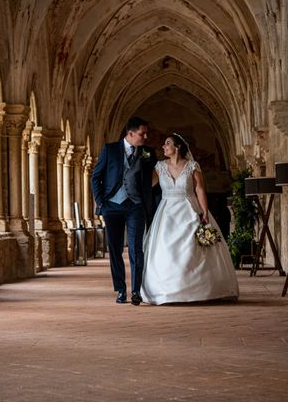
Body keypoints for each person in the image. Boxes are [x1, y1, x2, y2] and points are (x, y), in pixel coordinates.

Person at [141, 133, 239, 305]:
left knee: (194, 248)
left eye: (168, 143)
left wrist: (205, 212)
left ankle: (200, 289)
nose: (164, 146)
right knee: (166, 249)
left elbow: (200, 190)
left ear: (177, 147)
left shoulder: (192, 166)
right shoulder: (160, 166)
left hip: (189, 209)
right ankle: (165, 291)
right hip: (167, 213)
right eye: (164, 144)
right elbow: (147, 184)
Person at [91, 116, 158, 305]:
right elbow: (95, 177)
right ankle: (120, 290)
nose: (145, 137)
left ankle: (136, 291)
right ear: (130, 133)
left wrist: (145, 196)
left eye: (146, 133)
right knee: (115, 249)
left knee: (137, 249)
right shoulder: (110, 149)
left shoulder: (148, 153)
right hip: (111, 206)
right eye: (142, 133)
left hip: (135, 206)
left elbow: (154, 177)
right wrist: (101, 203)